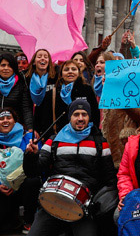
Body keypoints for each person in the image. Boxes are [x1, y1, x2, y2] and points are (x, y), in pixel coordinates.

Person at [24, 100, 117, 236]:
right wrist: (31, 156)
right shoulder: (54, 140)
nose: (80, 118)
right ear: (69, 117)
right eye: (76, 114)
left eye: (84, 114)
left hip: (84, 205)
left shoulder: (100, 143)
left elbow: (109, 178)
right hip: (54, 201)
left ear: (89, 117)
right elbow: (32, 171)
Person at [33, 59, 98, 138]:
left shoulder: (87, 90)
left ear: (79, 72)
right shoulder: (52, 93)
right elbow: (43, 117)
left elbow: (95, 114)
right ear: (61, 74)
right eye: (66, 70)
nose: (70, 72)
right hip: (59, 138)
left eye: (74, 69)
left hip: (84, 137)